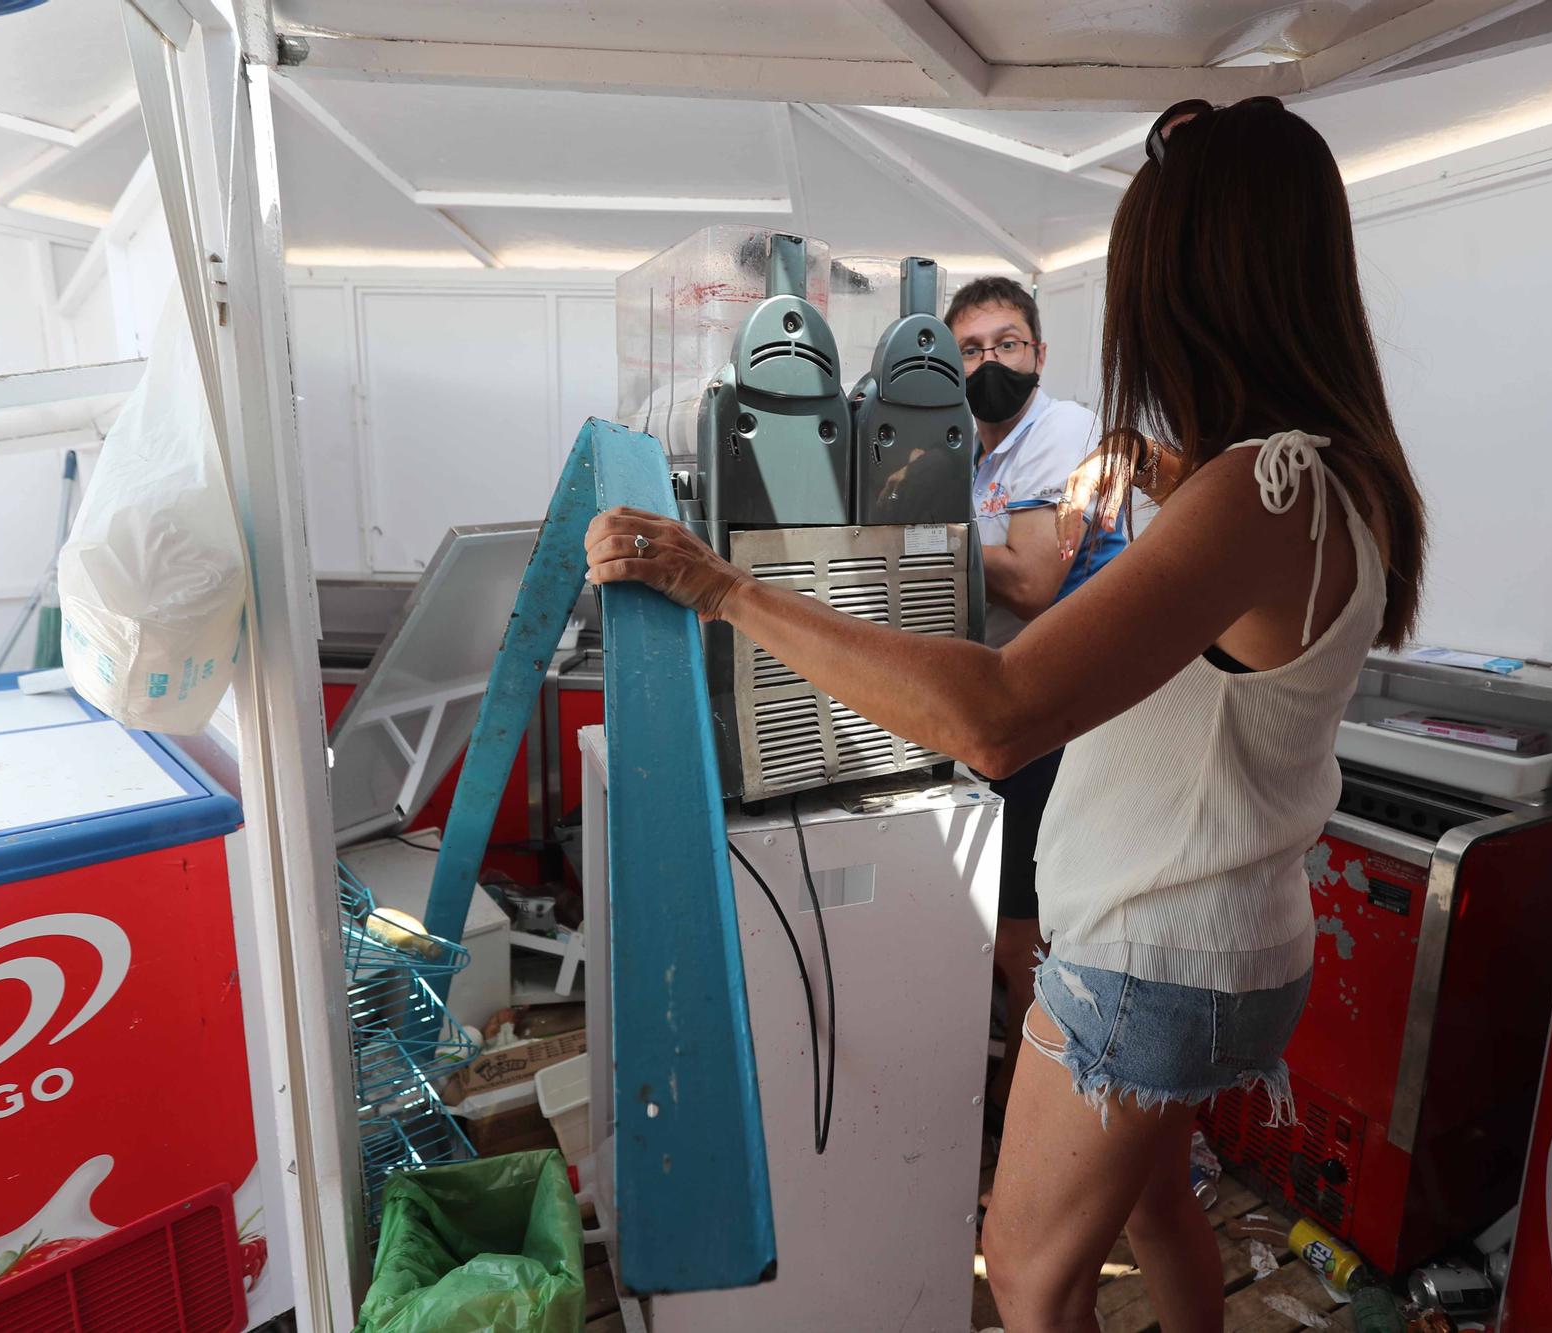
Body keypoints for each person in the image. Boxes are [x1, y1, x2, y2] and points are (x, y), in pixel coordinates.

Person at [585, 95, 1427, 1333]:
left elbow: (996, 712)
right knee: (1154, 1211)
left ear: (1191, 286)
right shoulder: (1336, 476)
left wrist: (719, 586)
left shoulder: (1262, 485)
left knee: (1027, 1272)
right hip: (1235, 943)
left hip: (1150, 958)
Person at [944, 274, 1133, 1125]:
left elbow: (1029, 581)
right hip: (1009, 712)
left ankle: (1038, 1111)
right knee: (995, 923)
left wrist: (924, 530)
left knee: (1023, 933)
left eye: (1006, 344)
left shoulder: (1060, 433)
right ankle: (1015, 1083)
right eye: (972, 349)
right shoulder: (979, 453)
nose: (991, 363)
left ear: (1040, 354)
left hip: (1064, 715)